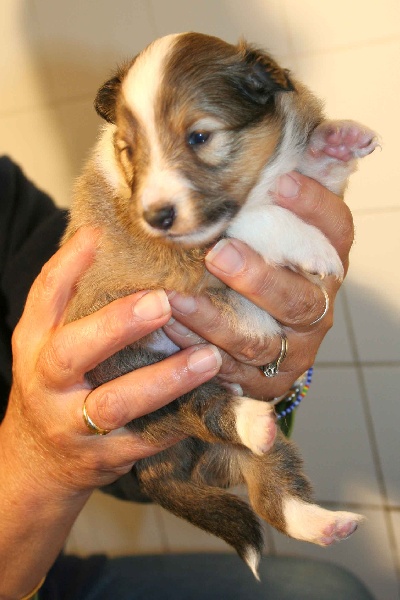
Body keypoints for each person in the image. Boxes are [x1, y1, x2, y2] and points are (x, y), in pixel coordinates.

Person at [0, 156, 374, 599]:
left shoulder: (8, 198)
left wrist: (273, 372)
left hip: (51, 567)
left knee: (328, 592)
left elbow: (131, 461)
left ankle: (278, 495)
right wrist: (39, 460)